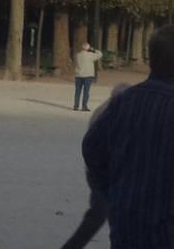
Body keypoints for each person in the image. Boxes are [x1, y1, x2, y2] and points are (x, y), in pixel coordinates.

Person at [82, 25, 174, 248]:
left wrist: (111, 189)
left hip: (126, 223)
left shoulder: (125, 100)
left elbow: (91, 147)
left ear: (151, 60)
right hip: (170, 225)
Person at [58, 83, 131, 249]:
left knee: (107, 215)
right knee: (100, 214)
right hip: (103, 174)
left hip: (103, 172)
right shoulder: (107, 114)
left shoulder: (111, 111)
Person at [74, 42, 104, 112]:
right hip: (87, 75)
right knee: (86, 92)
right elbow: (100, 54)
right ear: (88, 48)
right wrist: (93, 50)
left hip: (78, 75)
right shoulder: (91, 55)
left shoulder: (78, 55)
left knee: (77, 91)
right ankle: (84, 106)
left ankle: (76, 106)